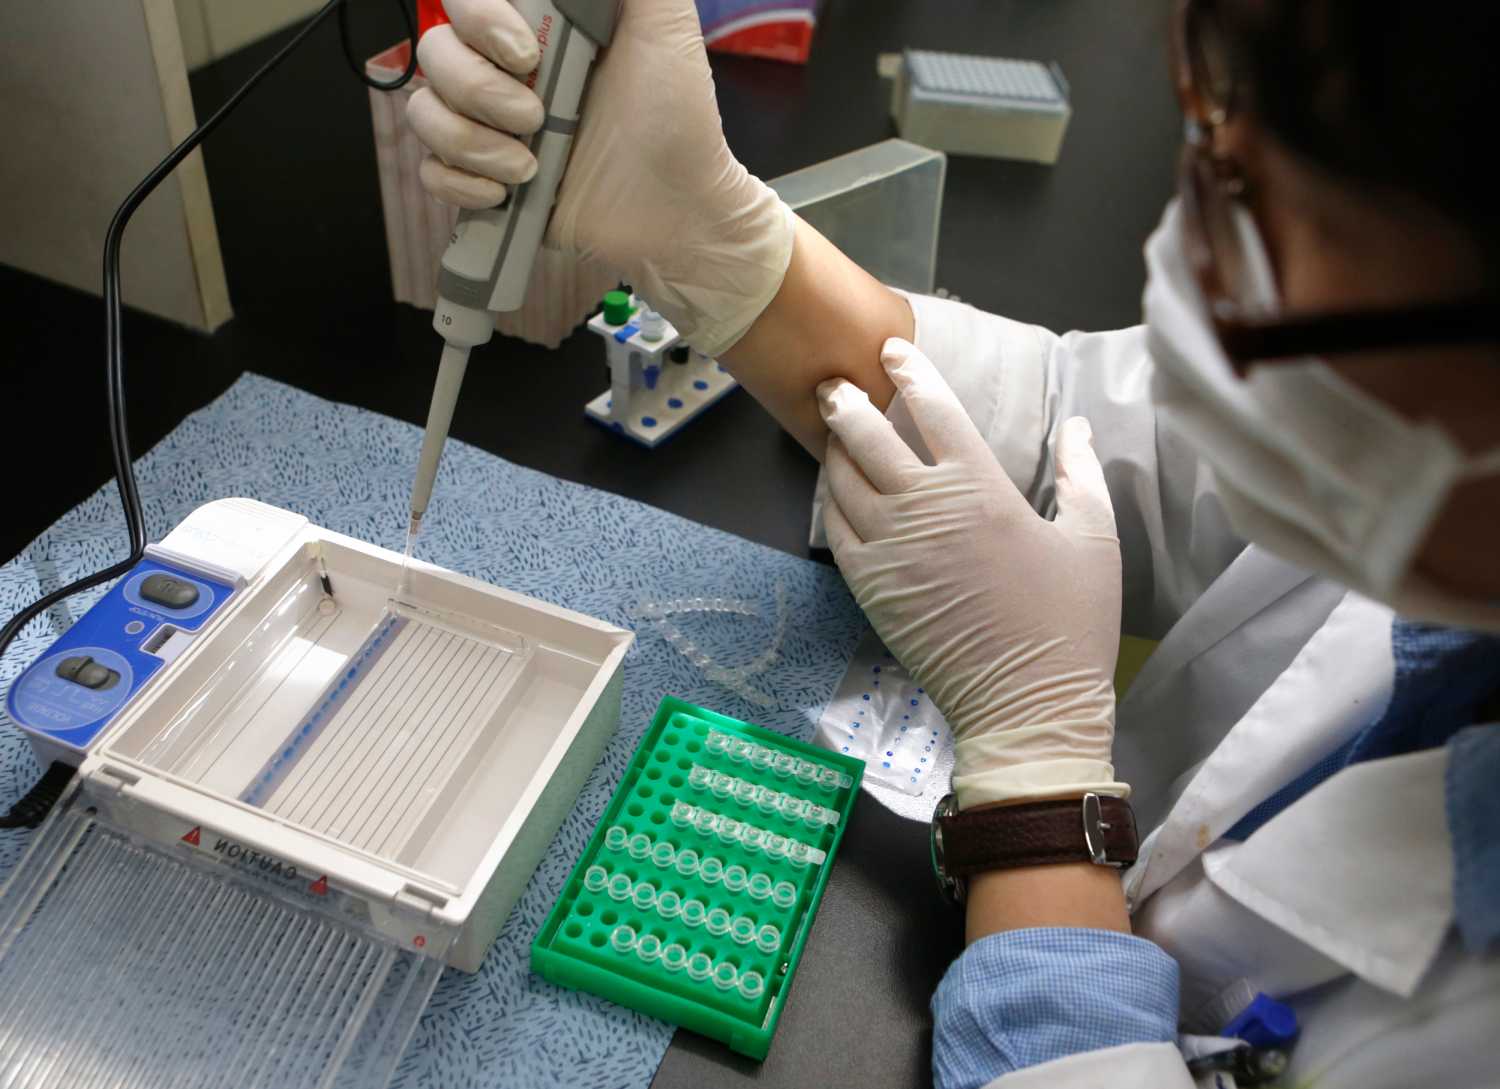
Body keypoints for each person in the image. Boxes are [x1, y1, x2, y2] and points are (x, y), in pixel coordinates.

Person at [410, 0, 1500, 1084]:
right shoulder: (1409, 427)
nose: (1201, 263)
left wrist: (1039, 785)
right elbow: (1074, 425)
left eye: (1313, 233)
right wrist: (703, 232)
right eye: (1218, 148)